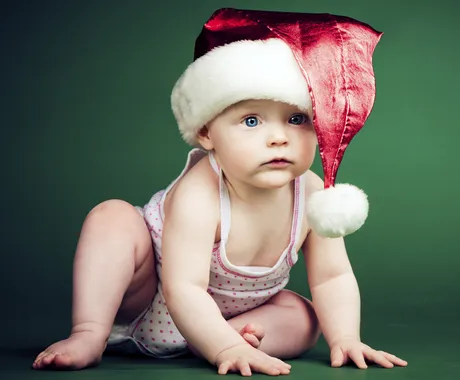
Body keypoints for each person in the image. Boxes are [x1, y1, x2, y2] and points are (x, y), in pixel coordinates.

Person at [32, 8, 408, 376]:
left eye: (297, 119)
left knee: (307, 318)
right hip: (149, 299)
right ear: (206, 133)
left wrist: (345, 337)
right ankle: (89, 333)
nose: (279, 137)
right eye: (250, 121)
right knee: (111, 217)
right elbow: (184, 288)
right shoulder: (203, 192)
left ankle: (223, 339)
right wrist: (225, 350)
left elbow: (332, 277)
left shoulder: (312, 193)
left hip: (232, 320)